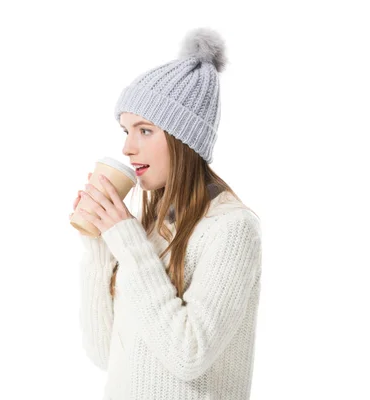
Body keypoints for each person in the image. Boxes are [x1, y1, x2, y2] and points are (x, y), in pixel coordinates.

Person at [70, 27, 263, 400]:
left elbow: (189, 355)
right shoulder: (151, 231)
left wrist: (125, 238)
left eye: (145, 130)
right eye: (126, 130)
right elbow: (104, 352)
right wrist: (99, 243)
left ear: (183, 139)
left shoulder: (233, 228)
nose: (127, 147)